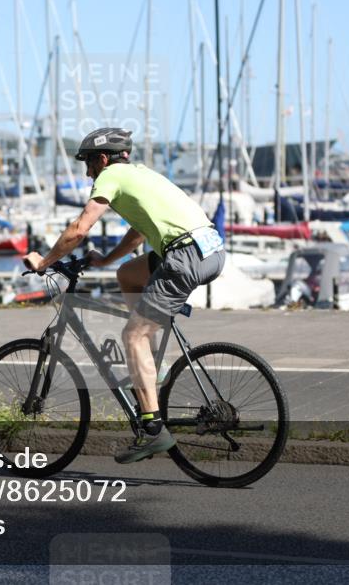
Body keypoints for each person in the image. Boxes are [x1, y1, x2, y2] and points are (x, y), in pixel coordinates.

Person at [23, 127, 226, 463]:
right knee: (127, 275)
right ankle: (151, 368)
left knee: (131, 335)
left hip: (184, 256)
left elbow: (80, 228)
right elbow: (137, 234)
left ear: (103, 159)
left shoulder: (110, 177)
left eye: (89, 163)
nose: (88, 172)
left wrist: (44, 261)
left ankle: (152, 430)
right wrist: (106, 260)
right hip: (210, 249)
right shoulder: (141, 175)